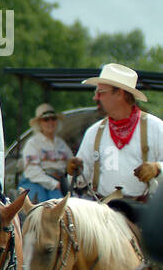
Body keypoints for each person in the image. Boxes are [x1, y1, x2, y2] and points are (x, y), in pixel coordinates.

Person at [68, 63, 163, 201]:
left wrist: (157, 168)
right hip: (103, 212)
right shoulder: (93, 132)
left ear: (120, 93)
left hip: (143, 213)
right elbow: (79, 180)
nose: (96, 98)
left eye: (101, 92)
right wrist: (73, 171)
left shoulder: (155, 127)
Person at [18, 103, 73, 204]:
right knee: (39, 207)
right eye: (46, 119)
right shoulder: (33, 143)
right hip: (35, 182)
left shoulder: (61, 143)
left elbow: (72, 164)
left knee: (63, 206)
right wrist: (55, 184)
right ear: (39, 123)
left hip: (59, 182)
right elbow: (32, 172)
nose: (50, 122)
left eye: (53, 118)